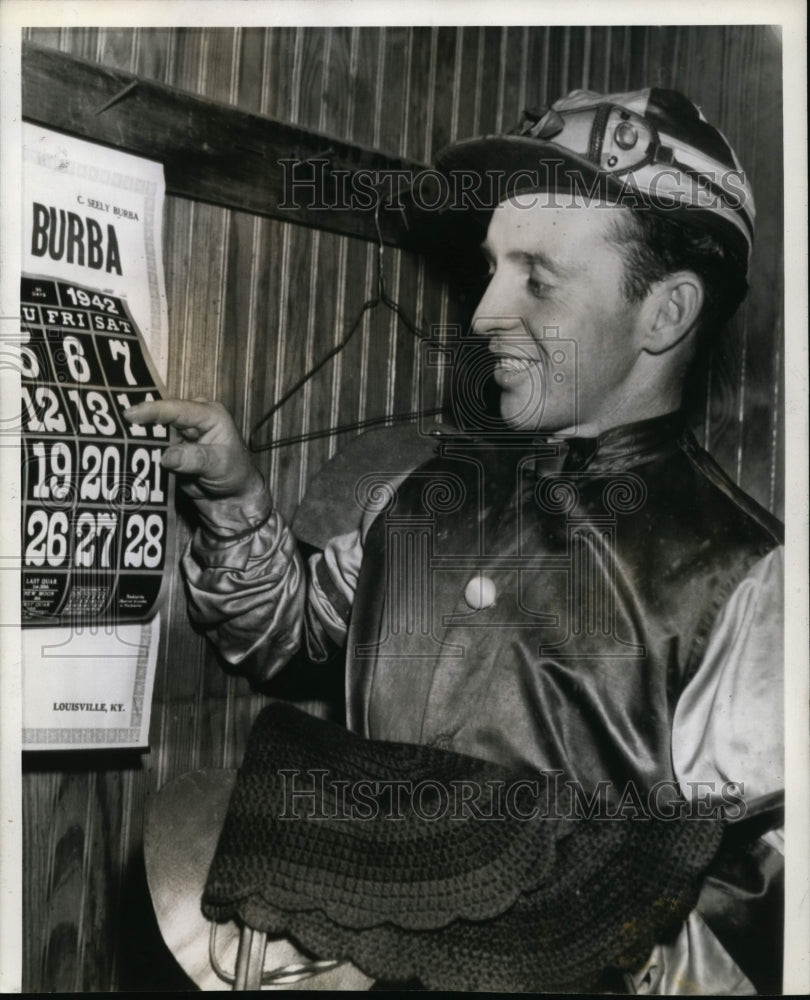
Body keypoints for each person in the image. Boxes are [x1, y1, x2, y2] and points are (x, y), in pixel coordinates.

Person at [126, 88, 784, 994]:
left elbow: (750, 935)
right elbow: (287, 637)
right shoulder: (421, 492)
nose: (482, 316)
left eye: (538, 281)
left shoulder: (752, 584)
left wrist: (478, 939)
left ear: (665, 314)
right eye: (492, 270)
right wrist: (235, 500)